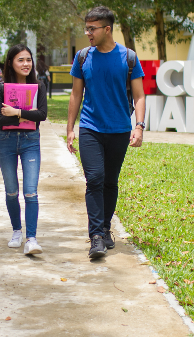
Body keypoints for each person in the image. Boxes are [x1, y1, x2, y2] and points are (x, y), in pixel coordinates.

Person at [67, 6, 146, 259]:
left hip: (120, 129)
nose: (88, 33)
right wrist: (70, 128)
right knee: (95, 179)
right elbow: (76, 94)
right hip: (90, 127)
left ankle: (105, 227)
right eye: (86, 28)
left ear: (107, 29)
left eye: (93, 28)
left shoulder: (128, 58)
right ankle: (96, 236)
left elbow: (139, 95)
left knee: (110, 181)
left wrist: (139, 126)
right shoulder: (82, 57)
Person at [0, 44, 47, 255]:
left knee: (31, 191)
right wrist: (27, 113)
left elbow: (41, 115)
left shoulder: (39, 86)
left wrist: (15, 111)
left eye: (28, 60)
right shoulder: (0, 88)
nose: (26, 64)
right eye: (20, 60)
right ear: (11, 63)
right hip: (6, 141)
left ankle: (31, 239)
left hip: (31, 141)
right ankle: (17, 230)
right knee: (11, 190)